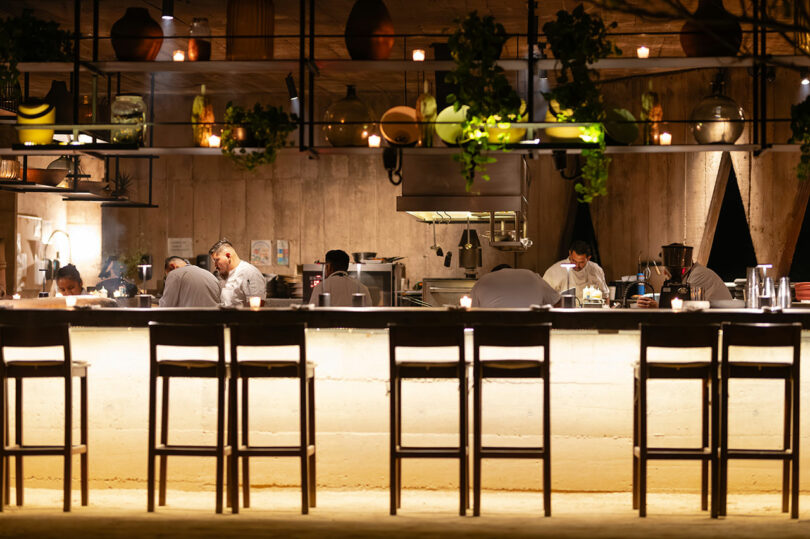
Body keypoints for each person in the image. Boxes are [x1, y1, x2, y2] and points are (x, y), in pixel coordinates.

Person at [637, 260, 732, 308]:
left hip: (720, 323)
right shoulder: (692, 273)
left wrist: (657, 306)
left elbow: (685, 308)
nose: (665, 273)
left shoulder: (697, 275)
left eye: (667, 270)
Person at [543, 240, 609, 301]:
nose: (577, 265)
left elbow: (605, 296)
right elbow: (544, 297)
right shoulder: (554, 271)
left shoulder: (596, 269)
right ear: (569, 254)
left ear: (588, 258)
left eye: (581, 262)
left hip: (590, 311)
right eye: (574, 261)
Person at [209, 239, 266, 307]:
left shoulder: (250, 273)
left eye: (217, 260)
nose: (215, 265)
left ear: (228, 256)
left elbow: (257, 307)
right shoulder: (224, 274)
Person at [471, 264, 561, 308]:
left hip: (490, 339)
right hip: (532, 338)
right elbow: (558, 303)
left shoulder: (482, 281)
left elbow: (471, 314)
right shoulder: (532, 276)